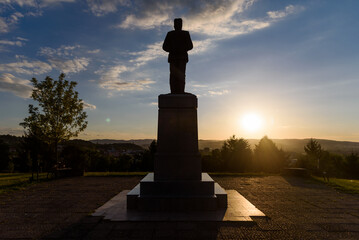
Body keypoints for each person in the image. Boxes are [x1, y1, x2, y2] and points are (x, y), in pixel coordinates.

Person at [162, 18, 193, 94]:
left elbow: (190, 46)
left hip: (182, 58)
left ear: (181, 25)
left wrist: (181, 49)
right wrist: (173, 49)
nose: (178, 25)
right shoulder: (170, 34)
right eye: (176, 24)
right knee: (173, 75)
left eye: (179, 24)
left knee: (181, 75)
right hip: (173, 58)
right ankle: (173, 91)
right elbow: (164, 47)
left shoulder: (185, 34)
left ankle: (181, 91)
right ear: (174, 25)